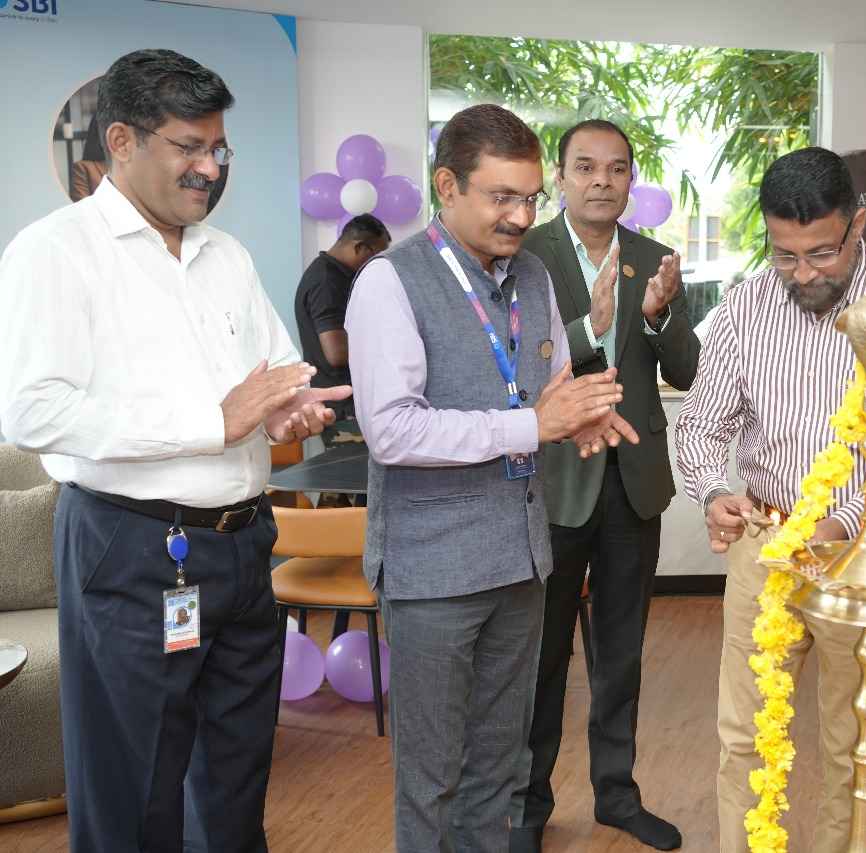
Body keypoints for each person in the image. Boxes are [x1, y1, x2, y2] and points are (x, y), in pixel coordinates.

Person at [0, 49, 348, 852]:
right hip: (133, 547)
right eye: (188, 147)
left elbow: (268, 377)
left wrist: (286, 411)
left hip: (243, 544)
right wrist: (213, 419)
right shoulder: (56, 251)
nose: (208, 167)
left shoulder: (226, 255)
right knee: (132, 783)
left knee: (235, 772)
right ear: (121, 140)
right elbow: (31, 411)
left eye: (218, 147)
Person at [345, 103, 639, 853]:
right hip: (433, 571)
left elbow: (545, 378)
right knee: (433, 776)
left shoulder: (534, 273)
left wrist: (580, 412)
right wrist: (531, 425)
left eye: (531, 197)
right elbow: (393, 429)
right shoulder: (390, 282)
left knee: (499, 771)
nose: (521, 215)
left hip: (521, 560)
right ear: (447, 186)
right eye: (501, 196)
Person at [674, 147, 866, 853]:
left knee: (851, 738)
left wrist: (847, 520)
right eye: (785, 254)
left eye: (822, 254)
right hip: (762, 541)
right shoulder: (745, 304)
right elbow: (704, 425)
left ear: (857, 225)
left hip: (863, 557)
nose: (802, 273)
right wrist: (714, 492)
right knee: (743, 735)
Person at [509, 119, 699, 853]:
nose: (601, 180)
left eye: (616, 169)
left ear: (630, 179)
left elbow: (684, 369)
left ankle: (618, 794)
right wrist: (593, 329)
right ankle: (528, 805)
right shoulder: (528, 256)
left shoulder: (657, 259)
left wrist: (658, 316)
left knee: (620, 653)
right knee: (543, 655)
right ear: (559, 177)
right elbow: (523, 369)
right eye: (585, 167)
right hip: (552, 483)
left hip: (633, 485)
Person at [294, 213, 391, 427]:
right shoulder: (327, 281)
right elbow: (337, 353)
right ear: (360, 248)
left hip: (349, 403)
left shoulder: (336, 275)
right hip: (343, 408)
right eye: (378, 255)